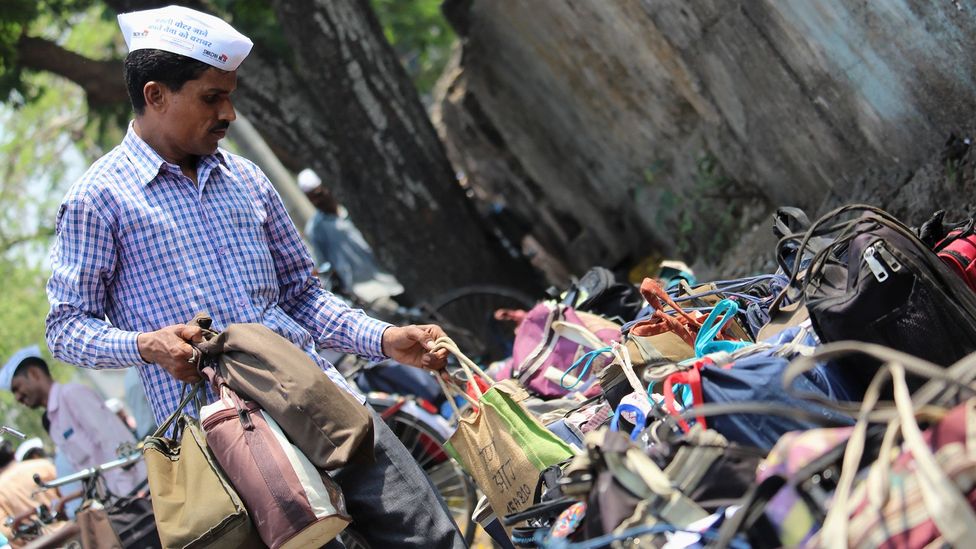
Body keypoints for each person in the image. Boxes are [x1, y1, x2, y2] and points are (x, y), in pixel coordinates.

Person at [45, 6, 463, 547]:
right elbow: (65, 328)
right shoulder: (96, 201)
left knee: (433, 538)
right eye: (211, 97)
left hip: (324, 402)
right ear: (156, 96)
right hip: (231, 452)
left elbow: (304, 296)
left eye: (230, 95)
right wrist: (147, 345)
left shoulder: (246, 178)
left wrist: (385, 338)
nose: (229, 114)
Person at [0, 347, 146, 497]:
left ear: (34, 374)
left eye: (17, 388)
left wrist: (128, 492)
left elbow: (115, 442)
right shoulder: (52, 420)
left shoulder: (72, 395)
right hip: (118, 502)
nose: (17, 397)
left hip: (136, 492)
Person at [298, 168, 405, 305]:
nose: (318, 200)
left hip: (389, 274)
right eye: (312, 197)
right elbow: (323, 265)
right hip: (366, 289)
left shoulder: (350, 205)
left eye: (319, 194)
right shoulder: (316, 229)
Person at [0, 439, 58, 545]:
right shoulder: (43, 465)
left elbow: (7, 532)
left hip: (37, 545)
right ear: (13, 453)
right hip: (71, 533)